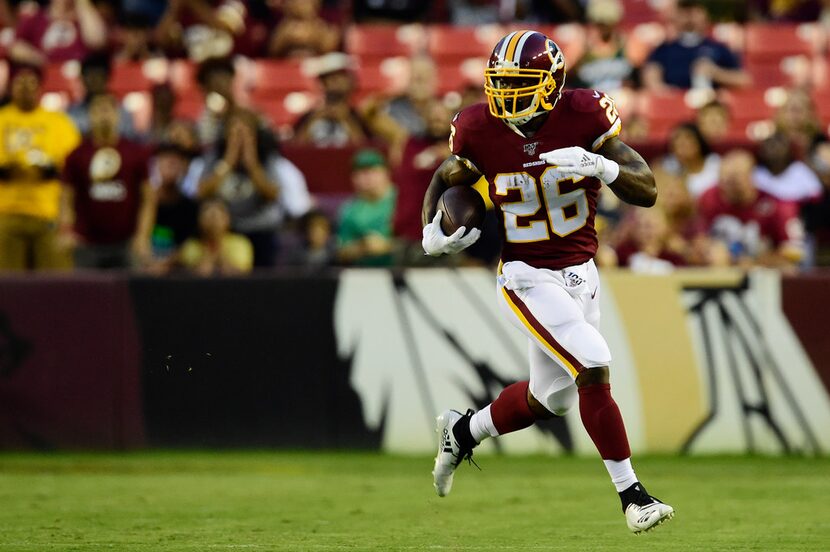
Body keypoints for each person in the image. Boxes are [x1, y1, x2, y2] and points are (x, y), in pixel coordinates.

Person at [422, 30, 674, 534]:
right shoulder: (478, 126)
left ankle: (463, 430)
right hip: (525, 275)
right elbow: (447, 176)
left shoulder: (584, 114)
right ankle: (633, 496)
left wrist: (601, 165)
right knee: (594, 361)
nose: (506, 94)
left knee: (551, 400)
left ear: (552, 82)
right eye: (500, 83)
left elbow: (646, 191)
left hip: (582, 272)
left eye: (519, 82)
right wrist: (431, 230)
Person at [194, 109, 311, 267]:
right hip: (225, 233)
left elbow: (272, 194)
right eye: (234, 129)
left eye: (245, 130)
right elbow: (202, 192)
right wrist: (228, 161)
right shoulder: (214, 157)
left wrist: (252, 164)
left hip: (260, 230)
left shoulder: (268, 158)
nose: (239, 136)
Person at [0, 64, 80, 271]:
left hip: (49, 213)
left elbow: (73, 168)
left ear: (40, 88)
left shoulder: (58, 122)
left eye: (31, 83)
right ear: (11, 87)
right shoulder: (2, 119)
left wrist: (48, 168)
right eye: (20, 82)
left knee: (54, 285)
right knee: (8, 286)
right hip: (6, 213)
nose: (26, 88)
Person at [61, 94, 155, 269]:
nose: (104, 115)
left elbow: (148, 198)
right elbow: (66, 197)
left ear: (118, 115)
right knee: (85, 295)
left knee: (130, 294)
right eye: (98, 110)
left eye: (108, 109)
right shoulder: (76, 155)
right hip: (86, 243)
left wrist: (143, 236)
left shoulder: (136, 153)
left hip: (127, 242)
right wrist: (67, 230)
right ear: (89, 115)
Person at [698, 150, 804, 267]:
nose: (729, 187)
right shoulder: (708, 199)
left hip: (763, 273)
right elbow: (696, 241)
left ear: (751, 176)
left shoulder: (776, 207)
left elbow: (795, 253)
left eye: (735, 179)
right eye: (725, 180)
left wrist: (757, 262)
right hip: (719, 273)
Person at [642, 0, 750, 91]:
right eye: (684, 12)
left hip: (709, 108)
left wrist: (715, 73)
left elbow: (743, 80)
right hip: (675, 107)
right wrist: (673, 95)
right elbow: (652, 80)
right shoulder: (663, 50)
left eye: (694, 11)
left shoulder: (718, 48)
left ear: (704, 15)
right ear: (676, 16)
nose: (689, 17)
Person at [293, 53, 372, 147]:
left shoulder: (361, 117)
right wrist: (315, 119)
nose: (334, 81)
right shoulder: (308, 117)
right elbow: (296, 149)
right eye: (327, 78)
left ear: (352, 81)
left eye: (341, 75)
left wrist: (345, 119)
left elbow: (364, 149)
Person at [337, 148, 397, 267]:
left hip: (404, 269)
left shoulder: (404, 201)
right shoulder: (350, 210)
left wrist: (388, 246)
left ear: (386, 173)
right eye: (362, 173)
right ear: (353, 178)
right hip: (363, 273)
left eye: (373, 171)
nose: (368, 178)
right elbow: (341, 251)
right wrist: (361, 247)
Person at [148, 142, 199, 272]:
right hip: (146, 266)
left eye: (176, 162)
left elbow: (189, 245)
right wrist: (149, 261)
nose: (171, 166)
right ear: (157, 165)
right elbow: (137, 240)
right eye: (166, 161)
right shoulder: (145, 203)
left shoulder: (190, 206)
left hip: (178, 271)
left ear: (184, 168)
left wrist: (167, 263)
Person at [9, 0, 107, 65]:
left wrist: (83, 3)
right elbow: (15, 47)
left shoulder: (85, 19)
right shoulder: (37, 18)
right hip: (45, 80)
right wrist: (41, 60)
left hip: (77, 80)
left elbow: (97, 41)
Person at [66, 53, 137, 139]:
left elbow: (130, 143)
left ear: (107, 78)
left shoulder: (123, 112)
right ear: (82, 78)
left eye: (98, 76)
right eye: (89, 76)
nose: (94, 81)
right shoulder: (72, 113)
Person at [178, 198, 253, 275]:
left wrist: (218, 251)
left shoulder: (240, 243)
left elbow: (241, 274)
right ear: (199, 220)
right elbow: (197, 274)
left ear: (228, 219)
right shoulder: (190, 245)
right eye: (207, 212)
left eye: (219, 213)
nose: (213, 218)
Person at [753, 131, 822, 204]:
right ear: (762, 152)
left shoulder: (800, 170)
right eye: (770, 147)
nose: (774, 152)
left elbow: (817, 195)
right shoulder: (757, 174)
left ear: (788, 151)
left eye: (778, 148)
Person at [661, 123, 720, 199]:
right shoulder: (667, 167)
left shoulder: (714, 164)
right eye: (677, 140)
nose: (681, 144)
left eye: (687, 139)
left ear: (699, 142)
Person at [267, 0, 339, 59]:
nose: (301, 5)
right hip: (288, 68)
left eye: (306, 2)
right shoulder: (285, 26)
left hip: (315, 67)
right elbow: (274, 49)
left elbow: (329, 47)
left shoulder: (320, 26)